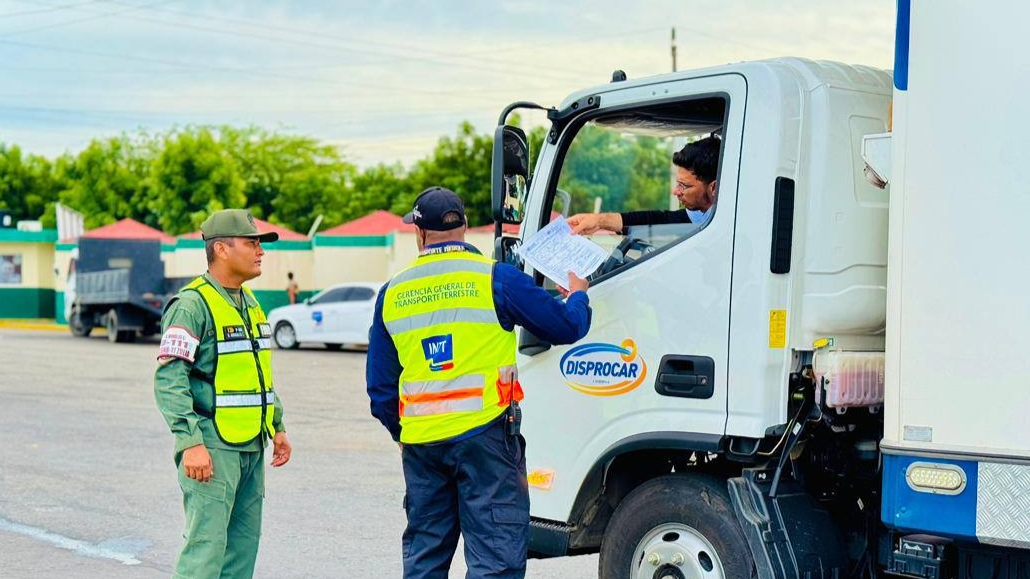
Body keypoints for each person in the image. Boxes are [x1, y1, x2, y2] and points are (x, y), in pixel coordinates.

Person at [366, 187, 592, 579]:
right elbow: (567, 326)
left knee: (424, 559)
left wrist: (403, 433)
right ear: (466, 227)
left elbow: (381, 390)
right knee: (494, 558)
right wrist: (578, 295)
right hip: (486, 438)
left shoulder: (392, 293)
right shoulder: (497, 279)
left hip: (422, 445)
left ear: (419, 235)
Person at [154, 209, 293, 579]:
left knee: (242, 550)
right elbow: (170, 378)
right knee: (206, 548)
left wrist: (276, 425)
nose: (260, 251)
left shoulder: (250, 303)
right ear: (222, 249)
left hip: (250, 444)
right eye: (252, 243)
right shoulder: (191, 305)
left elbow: (257, 373)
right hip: (212, 447)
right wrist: (190, 442)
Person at [567, 135, 721, 235]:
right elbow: (658, 220)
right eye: (677, 183)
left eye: (684, 186)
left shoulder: (729, 228)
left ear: (713, 187)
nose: (675, 191)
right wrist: (599, 220)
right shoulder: (698, 216)